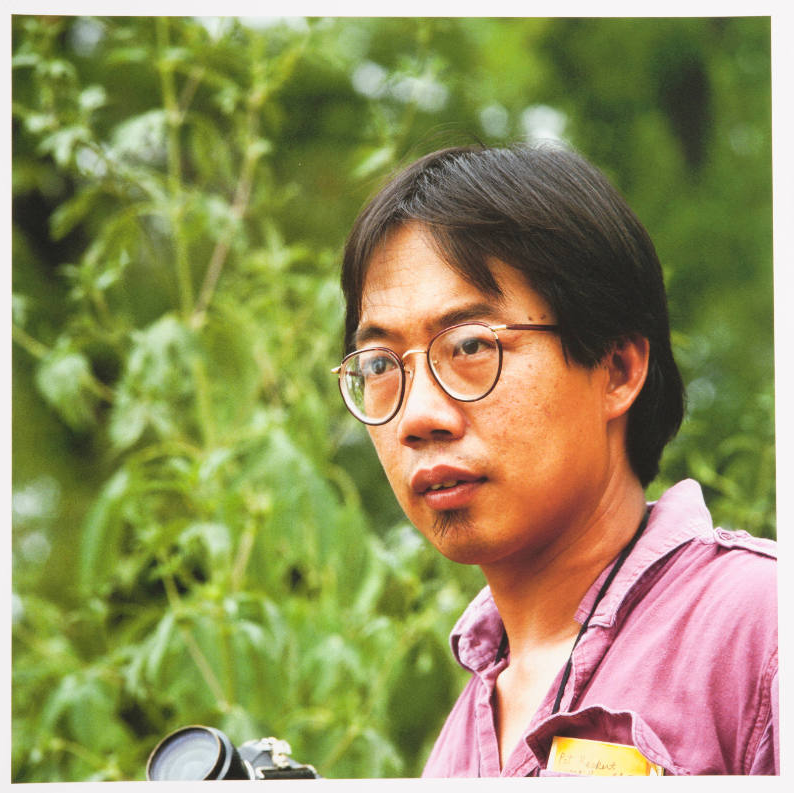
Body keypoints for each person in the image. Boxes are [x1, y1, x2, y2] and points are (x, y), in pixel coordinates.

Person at [332, 144, 778, 776]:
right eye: (380, 365)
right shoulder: (460, 745)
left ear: (617, 368)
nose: (417, 418)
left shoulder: (760, 628)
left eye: (470, 346)